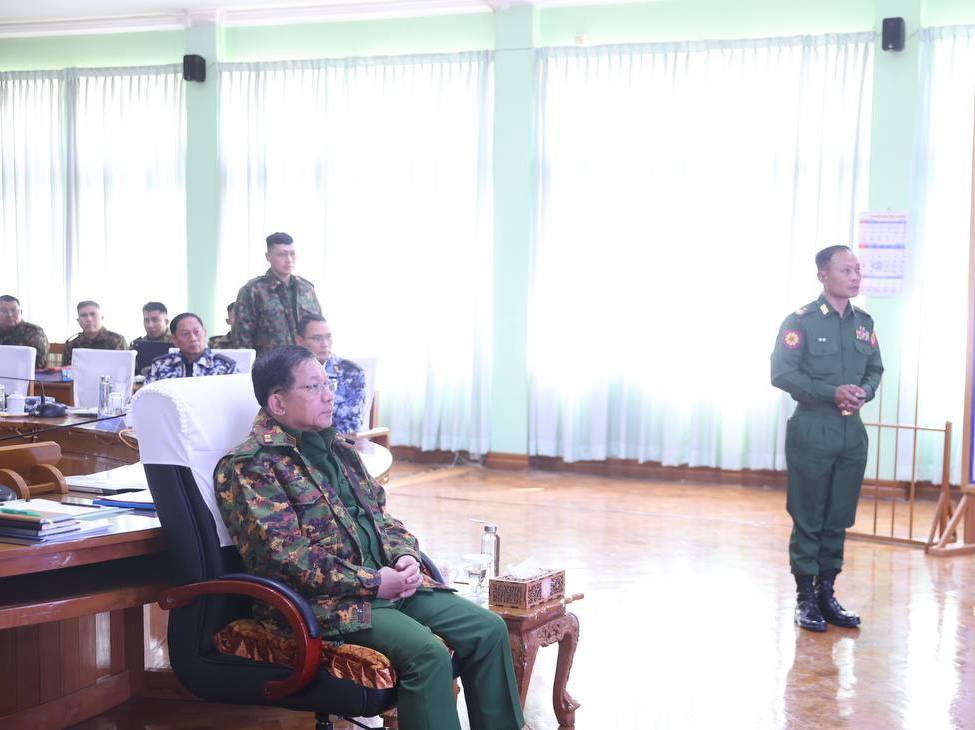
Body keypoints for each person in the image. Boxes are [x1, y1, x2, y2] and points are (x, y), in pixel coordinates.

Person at [214, 346, 525, 730]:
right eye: (313, 387)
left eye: (327, 384)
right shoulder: (250, 465)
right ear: (278, 403)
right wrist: (374, 582)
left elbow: (380, 518)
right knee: (428, 654)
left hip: (389, 584)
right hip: (329, 603)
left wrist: (405, 556)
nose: (329, 396)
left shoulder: (339, 449)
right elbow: (286, 557)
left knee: (489, 630)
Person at [771, 245, 884, 632]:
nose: (855, 277)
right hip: (813, 427)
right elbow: (782, 374)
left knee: (838, 516)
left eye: (857, 270)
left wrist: (864, 391)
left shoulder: (863, 322)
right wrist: (830, 392)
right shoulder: (800, 321)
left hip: (852, 432)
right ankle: (805, 597)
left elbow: (875, 368)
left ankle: (827, 594)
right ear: (823, 276)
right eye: (846, 270)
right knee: (809, 517)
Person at [231, 232, 322, 354]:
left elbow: (318, 328)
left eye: (292, 254)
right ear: (268, 257)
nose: (289, 260)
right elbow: (242, 340)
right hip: (271, 362)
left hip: (305, 361)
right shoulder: (253, 290)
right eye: (282, 254)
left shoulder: (307, 289)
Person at [296, 314, 365, 434]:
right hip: (294, 441)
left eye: (328, 337)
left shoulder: (351, 373)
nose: (325, 344)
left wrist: (318, 438)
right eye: (317, 338)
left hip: (334, 441)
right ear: (300, 341)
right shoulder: (290, 372)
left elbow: (353, 423)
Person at [145, 312, 238, 383]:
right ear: (174, 339)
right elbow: (147, 398)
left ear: (205, 333)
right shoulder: (160, 365)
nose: (193, 338)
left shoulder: (225, 366)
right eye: (185, 334)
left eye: (197, 332)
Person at [63, 300, 127, 366]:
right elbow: (66, 370)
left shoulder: (117, 340)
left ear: (102, 318)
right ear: (78, 320)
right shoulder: (71, 344)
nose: (89, 319)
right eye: (84, 315)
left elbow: (124, 368)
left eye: (93, 314)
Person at [0, 295, 49, 369]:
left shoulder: (34, 332)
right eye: (4, 311)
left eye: (14, 310)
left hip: (26, 375)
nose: (9, 315)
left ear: (21, 312)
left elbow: (38, 364)